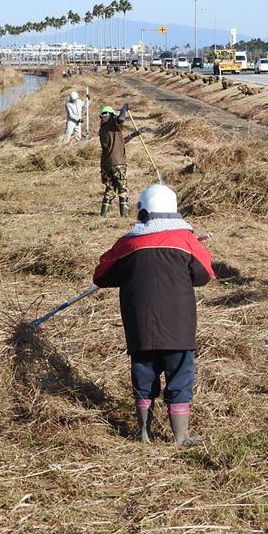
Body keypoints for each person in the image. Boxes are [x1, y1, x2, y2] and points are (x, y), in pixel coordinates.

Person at [92, 184, 214, 446]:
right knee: (180, 376)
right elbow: (205, 274)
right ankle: (181, 437)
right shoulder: (185, 240)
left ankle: (143, 432)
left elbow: (101, 276)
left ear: (142, 210)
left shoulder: (128, 243)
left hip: (140, 326)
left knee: (143, 373)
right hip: (179, 325)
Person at [98, 104, 130, 217]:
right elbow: (121, 119)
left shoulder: (102, 130)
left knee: (109, 189)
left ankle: (104, 215)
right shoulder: (113, 123)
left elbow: (118, 143)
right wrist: (124, 110)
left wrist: (133, 135)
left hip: (106, 165)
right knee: (122, 188)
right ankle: (124, 216)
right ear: (112, 115)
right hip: (118, 163)